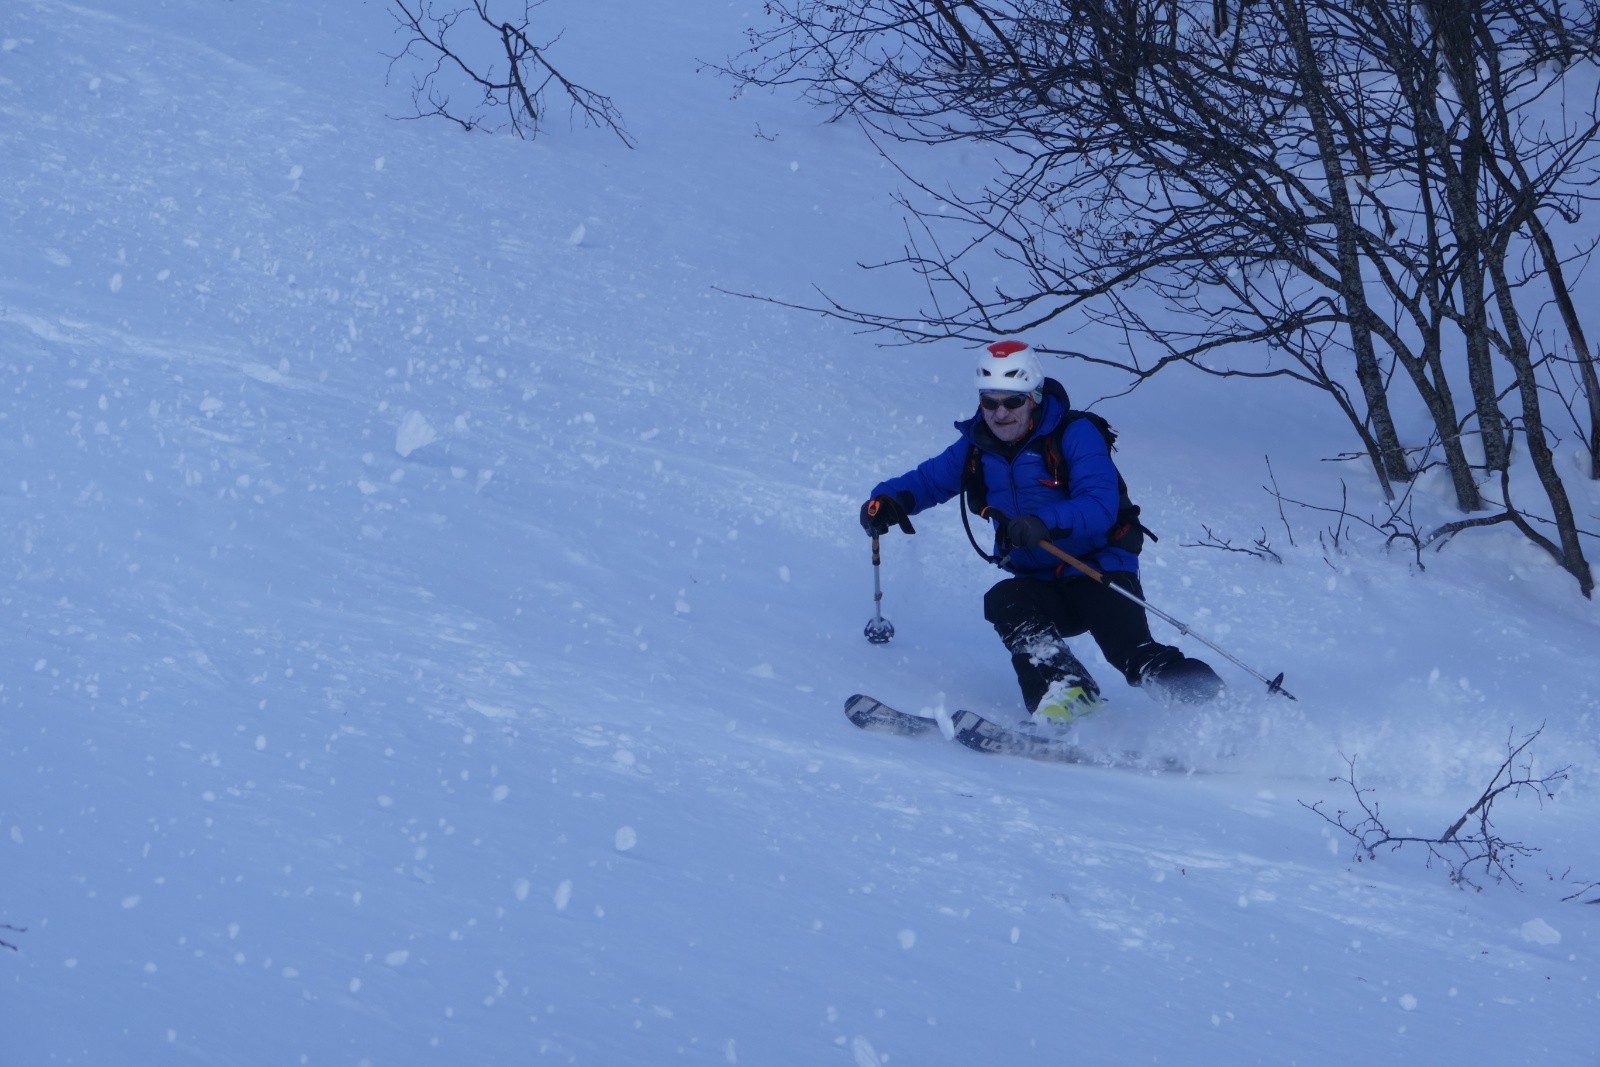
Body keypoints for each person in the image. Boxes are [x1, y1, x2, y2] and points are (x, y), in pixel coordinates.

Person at [858, 340, 1224, 724]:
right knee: (1004, 600)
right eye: (990, 401)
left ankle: (1219, 710)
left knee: (1134, 656)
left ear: (1033, 396)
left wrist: (1046, 522)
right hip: (1039, 581)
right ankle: (1065, 690)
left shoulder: (1075, 433)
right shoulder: (977, 445)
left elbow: (1099, 505)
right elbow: (928, 481)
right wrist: (887, 501)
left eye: (1012, 402)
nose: (1000, 414)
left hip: (1097, 569)